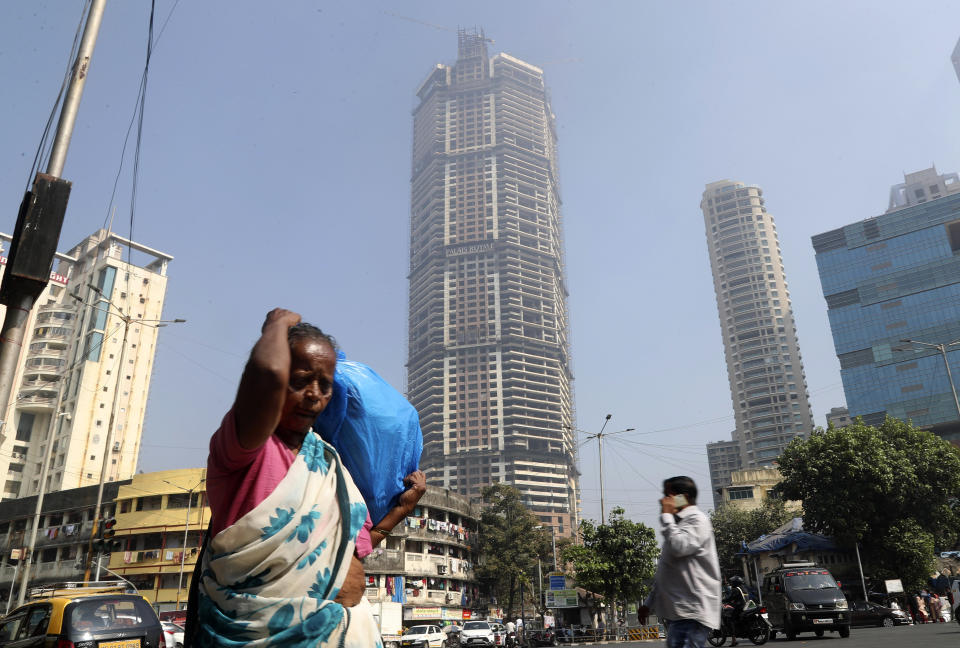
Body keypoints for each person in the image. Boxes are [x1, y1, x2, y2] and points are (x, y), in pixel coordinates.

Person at [193, 309, 418, 647]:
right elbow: (266, 375)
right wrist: (276, 325)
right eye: (300, 380)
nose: (314, 394)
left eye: (324, 385)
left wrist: (401, 511)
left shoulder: (331, 465)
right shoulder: (245, 448)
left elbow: (351, 551)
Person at [638, 476, 721, 648]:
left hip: (691, 611)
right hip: (680, 613)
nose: (664, 500)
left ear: (682, 496)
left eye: (669, 495)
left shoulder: (697, 520)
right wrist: (648, 604)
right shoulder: (679, 526)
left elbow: (679, 547)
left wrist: (667, 517)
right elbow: (667, 573)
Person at [721, 576, 749, 646]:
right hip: (746, 606)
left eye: (732, 582)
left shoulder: (736, 589)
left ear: (735, 583)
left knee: (730, 620)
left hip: (740, 607)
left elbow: (731, 598)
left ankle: (734, 640)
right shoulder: (743, 588)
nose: (731, 584)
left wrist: (722, 600)